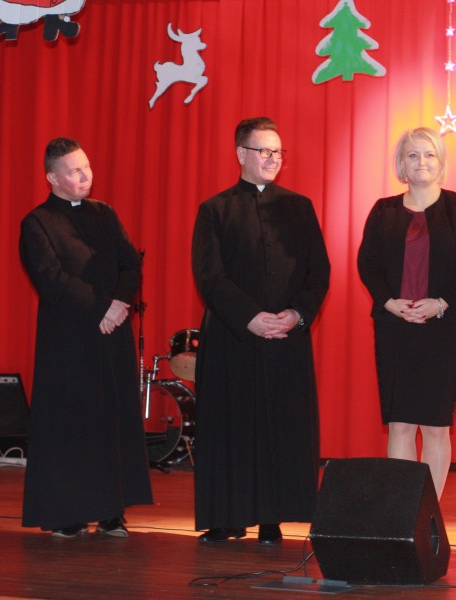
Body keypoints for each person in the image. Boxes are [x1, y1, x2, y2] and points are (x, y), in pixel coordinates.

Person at [192, 117, 330, 544]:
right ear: (241, 154)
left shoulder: (300, 207)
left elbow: (318, 272)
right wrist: (250, 317)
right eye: (263, 150)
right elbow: (209, 276)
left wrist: (296, 315)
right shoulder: (215, 209)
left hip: (286, 338)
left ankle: (274, 519)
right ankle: (227, 518)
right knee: (231, 429)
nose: (272, 158)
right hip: (233, 337)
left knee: (281, 429)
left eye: (277, 151)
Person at [19, 137, 153, 538]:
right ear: (52, 177)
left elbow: (130, 263)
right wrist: (102, 308)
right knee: (70, 425)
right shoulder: (37, 222)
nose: (85, 176)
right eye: (75, 171)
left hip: (112, 336)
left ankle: (112, 511)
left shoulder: (105, 214)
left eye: (87, 167)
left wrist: (120, 303)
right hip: (69, 341)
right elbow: (51, 279)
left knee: (112, 422)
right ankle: (67, 514)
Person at [357, 127, 456, 498]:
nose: (421, 162)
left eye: (429, 154)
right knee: (400, 424)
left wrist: (439, 302)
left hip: (443, 329)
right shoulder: (383, 210)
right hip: (395, 328)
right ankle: (402, 512)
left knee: (435, 426)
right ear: (401, 164)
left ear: (440, 162)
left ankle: (428, 513)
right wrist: (389, 302)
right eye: (413, 155)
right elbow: (368, 264)